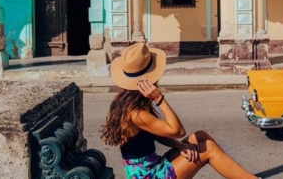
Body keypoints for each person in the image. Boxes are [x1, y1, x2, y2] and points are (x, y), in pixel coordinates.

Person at [101, 42, 260, 179]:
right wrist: (159, 98)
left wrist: (180, 146)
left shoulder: (128, 101)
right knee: (208, 149)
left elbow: (157, 134)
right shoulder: (136, 113)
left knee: (200, 136)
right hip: (148, 175)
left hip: (153, 167)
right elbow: (178, 130)